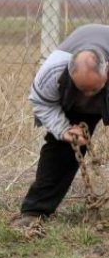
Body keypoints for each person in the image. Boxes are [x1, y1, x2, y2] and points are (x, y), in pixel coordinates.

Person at [16, 24, 109, 235]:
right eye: (82, 89)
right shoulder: (53, 71)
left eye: (93, 90)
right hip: (70, 103)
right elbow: (41, 102)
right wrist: (64, 129)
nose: (88, 96)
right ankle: (34, 211)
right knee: (62, 149)